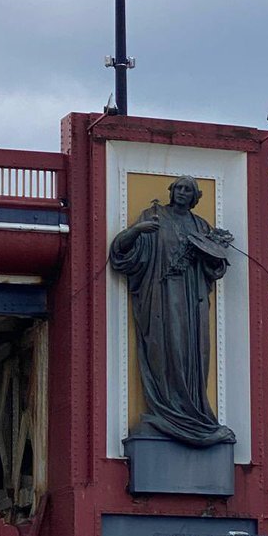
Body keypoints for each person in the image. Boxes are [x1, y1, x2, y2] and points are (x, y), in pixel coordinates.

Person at [110, 175, 236, 446]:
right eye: (178, 188)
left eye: (187, 189)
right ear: (171, 191)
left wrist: (216, 250)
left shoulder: (200, 225)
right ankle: (167, 410)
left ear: (194, 196)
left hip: (194, 302)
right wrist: (137, 230)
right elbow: (121, 253)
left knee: (195, 355)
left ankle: (193, 414)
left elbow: (214, 268)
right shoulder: (154, 217)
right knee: (166, 350)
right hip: (161, 299)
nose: (181, 192)